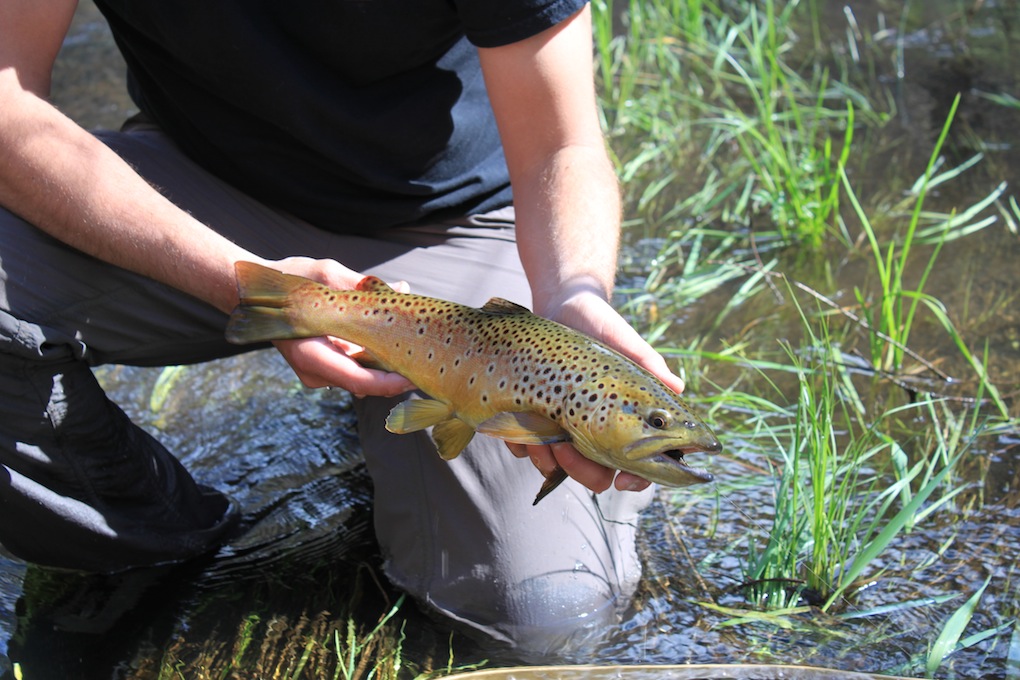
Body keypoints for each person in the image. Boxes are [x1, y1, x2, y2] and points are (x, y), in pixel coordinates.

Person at [0, 0, 687, 654]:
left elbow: (561, 146)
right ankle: (176, 553)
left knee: (540, 618)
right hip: (194, 191)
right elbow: (7, 107)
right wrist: (238, 281)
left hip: (460, 222)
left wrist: (570, 293)